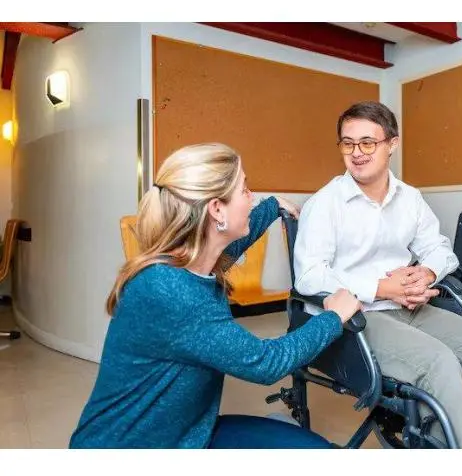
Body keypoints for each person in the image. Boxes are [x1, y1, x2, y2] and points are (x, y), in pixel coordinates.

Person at [69, 142, 361, 449]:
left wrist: (272, 206)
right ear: (217, 209)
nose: (251, 197)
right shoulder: (171, 291)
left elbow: (233, 244)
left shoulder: (189, 260)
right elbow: (266, 363)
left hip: (189, 434)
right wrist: (333, 317)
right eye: (244, 189)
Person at [293, 101, 462, 449]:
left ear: (391, 144)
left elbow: (440, 249)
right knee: (438, 362)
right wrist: (383, 288)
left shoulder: (409, 198)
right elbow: (308, 276)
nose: (357, 153)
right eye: (348, 144)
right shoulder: (325, 203)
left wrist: (425, 272)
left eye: (368, 142)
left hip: (409, 307)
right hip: (355, 318)